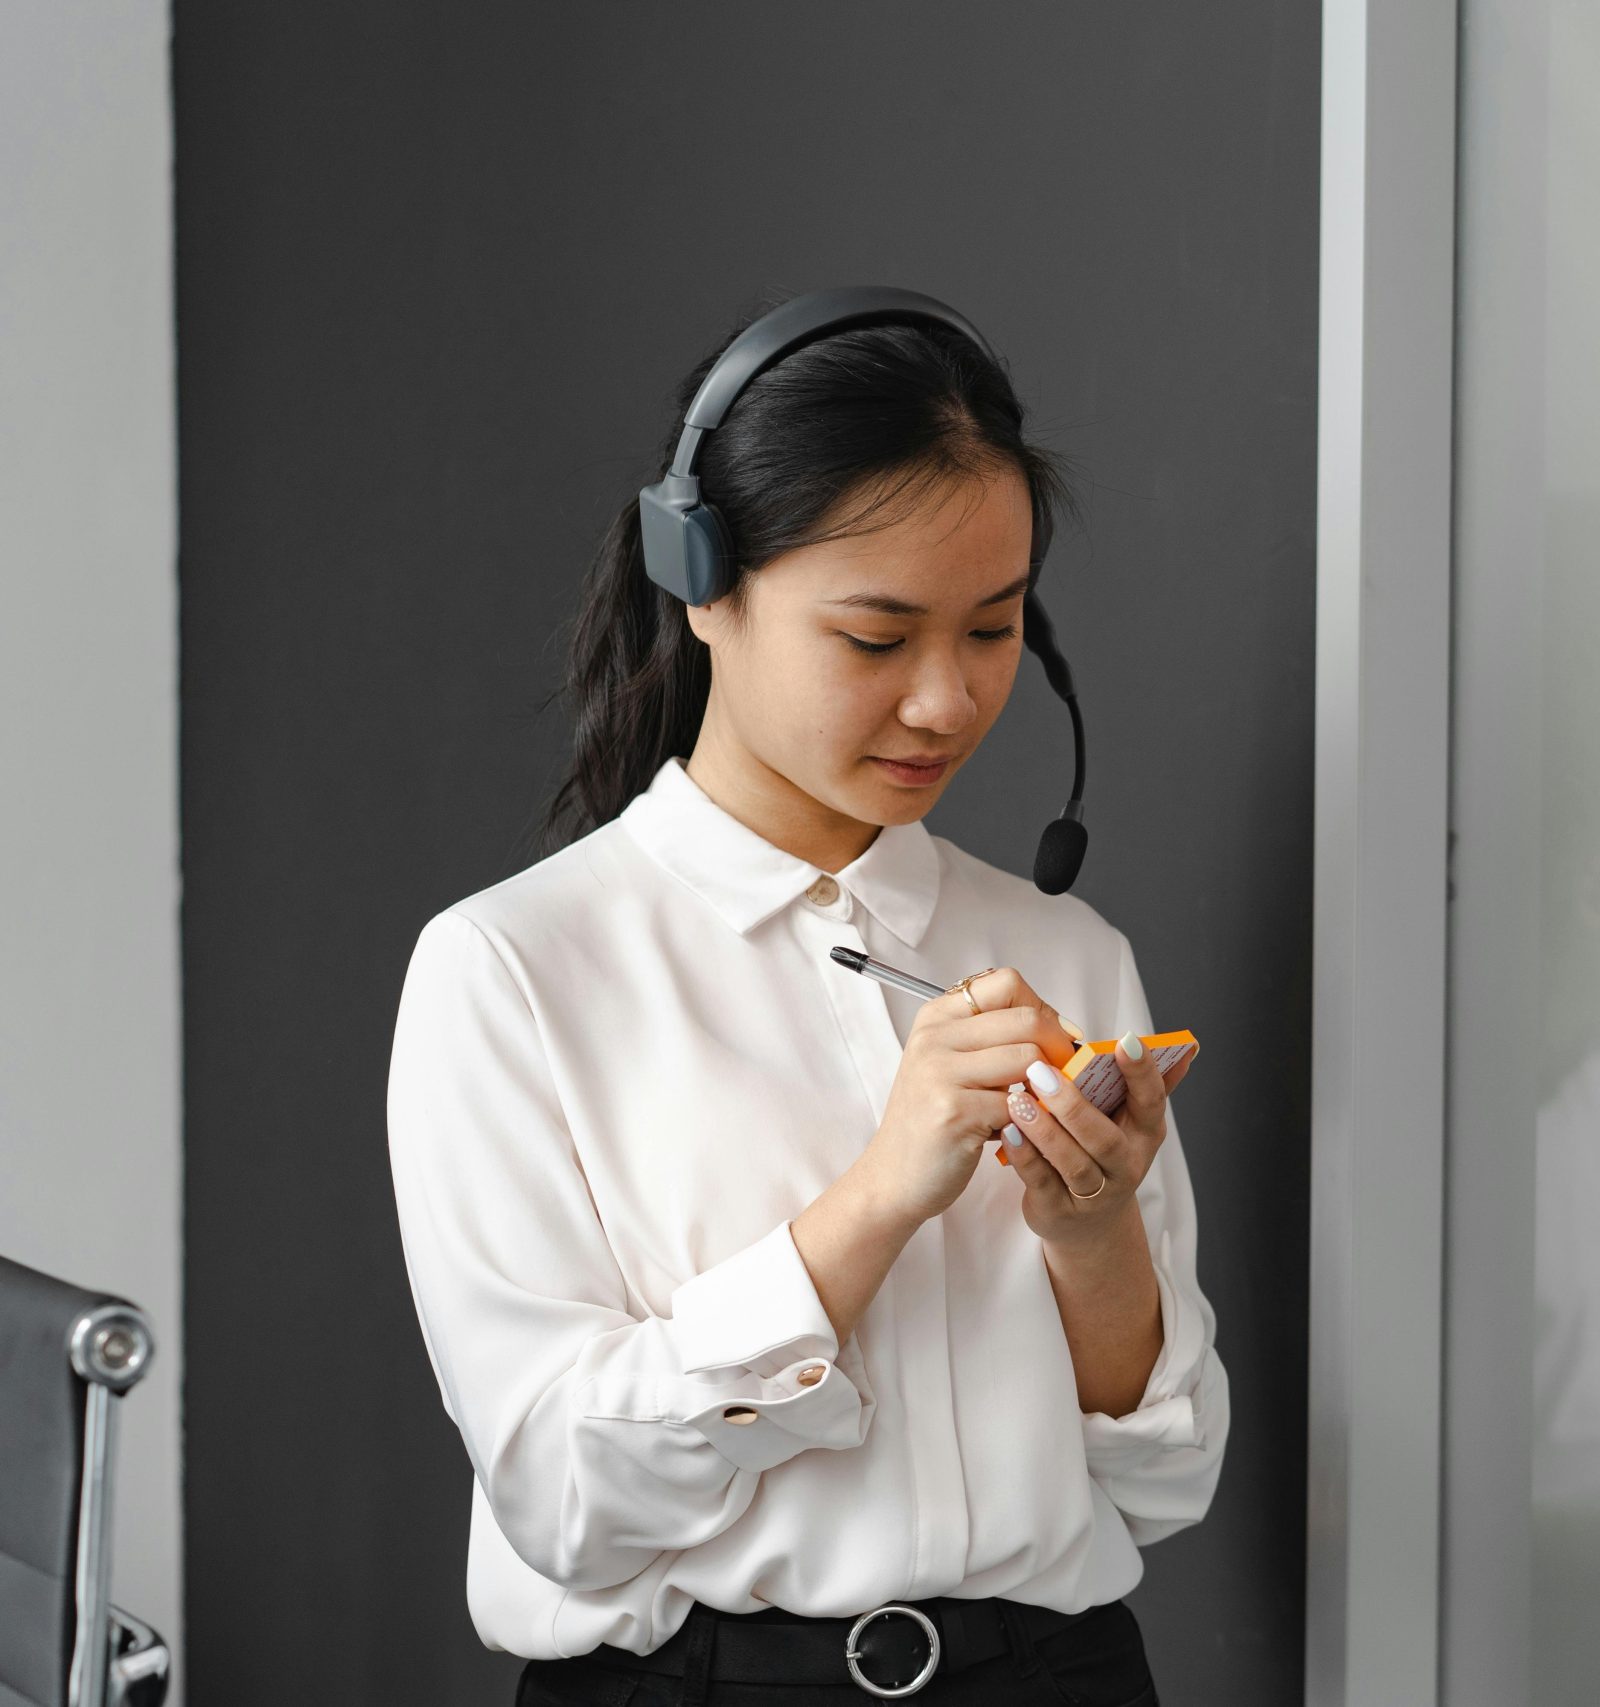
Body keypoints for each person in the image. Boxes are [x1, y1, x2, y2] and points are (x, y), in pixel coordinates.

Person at [385, 297, 1227, 1705]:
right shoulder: (514, 971)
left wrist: (1090, 1233)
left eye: (994, 629)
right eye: (876, 637)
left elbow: (1170, 1476)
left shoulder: (1067, 953)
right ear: (703, 582)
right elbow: (562, 1498)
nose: (949, 703)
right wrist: (880, 1193)